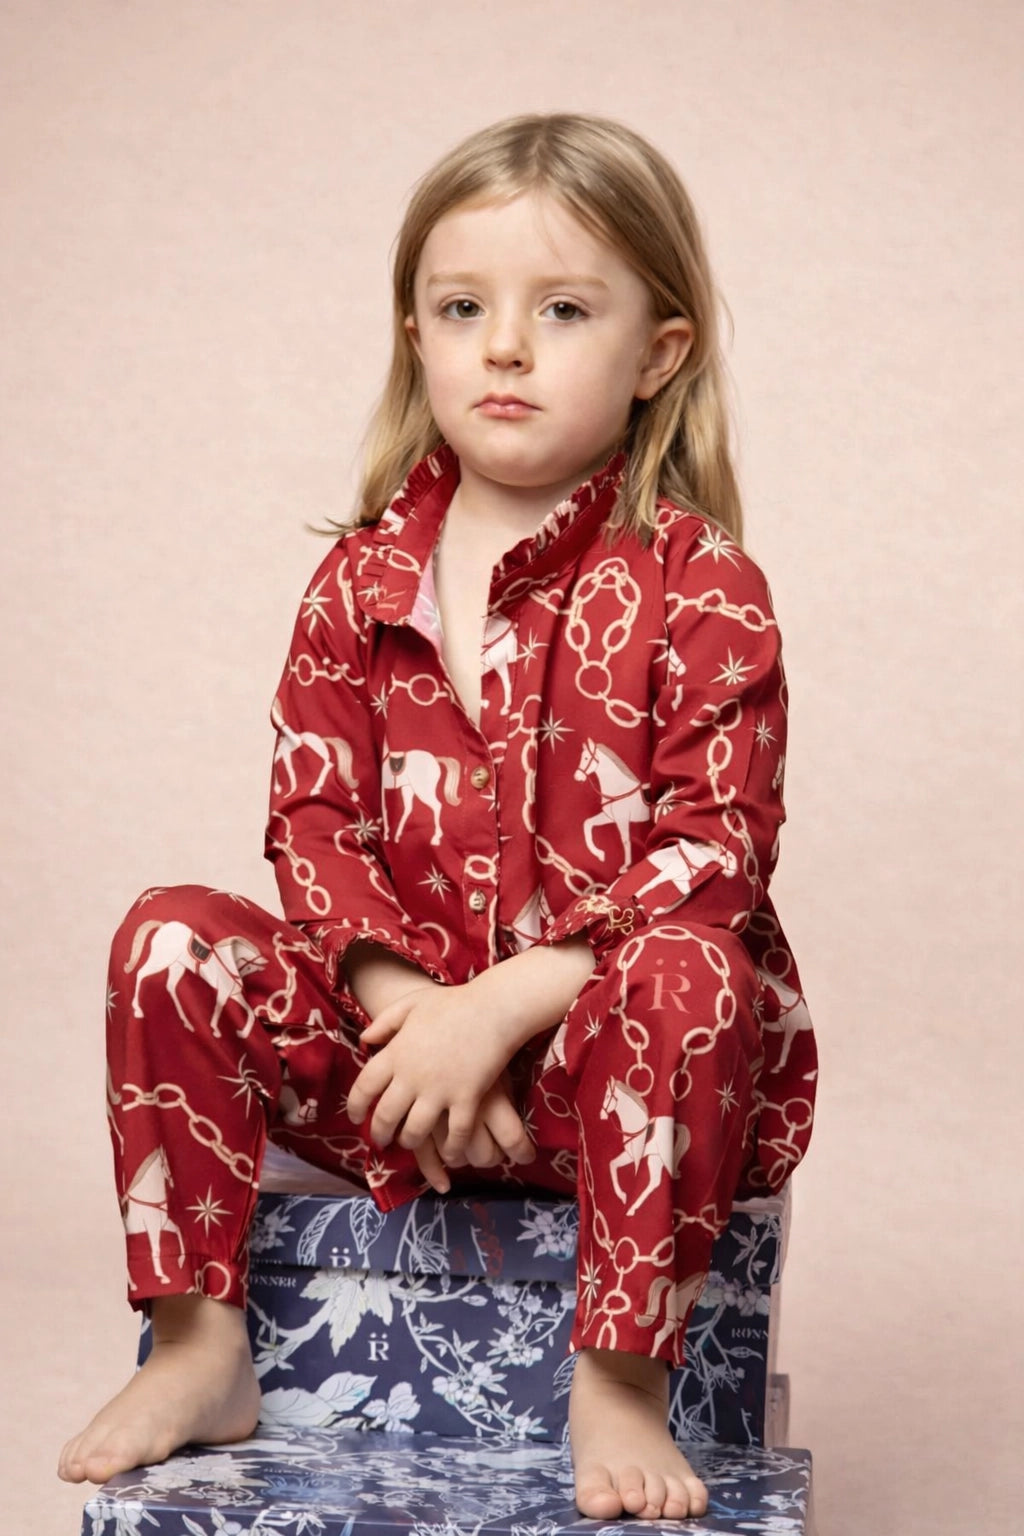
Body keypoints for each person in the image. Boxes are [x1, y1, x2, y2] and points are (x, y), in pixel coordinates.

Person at [58, 112, 816, 1521]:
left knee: (693, 969)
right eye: (465, 309)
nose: (505, 347)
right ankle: (201, 1341)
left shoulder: (702, 582)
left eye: (563, 310)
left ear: (659, 352)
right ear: (416, 335)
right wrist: (413, 1011)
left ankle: (620, 1377)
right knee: (169, 937)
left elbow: (719, 846)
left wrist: (506, 1005)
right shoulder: (357, 583)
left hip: (602, 1084)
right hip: (390, 1072)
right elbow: (314, 818)